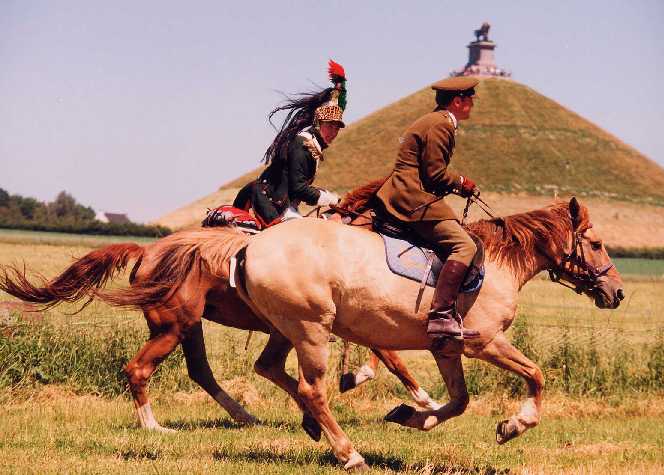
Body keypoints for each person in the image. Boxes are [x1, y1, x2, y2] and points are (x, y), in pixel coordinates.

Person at [376, 76, 481, 341]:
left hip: (409, 191)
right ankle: (441, 316)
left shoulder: (435, 121)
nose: (472, 104)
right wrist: (461, 183)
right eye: (470, 99)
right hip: (412, 196)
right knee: (465, 246)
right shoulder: (440, 125)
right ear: (458, 101)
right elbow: (435, 173)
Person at [233, 61, 348, 228]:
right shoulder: (302, 144)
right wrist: (329, 198)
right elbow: (299, 188)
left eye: (336, 128)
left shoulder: (312, 144)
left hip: (286, 205)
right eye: (329, 126)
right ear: (318, 123)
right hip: (270, 202)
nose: (333, 132)